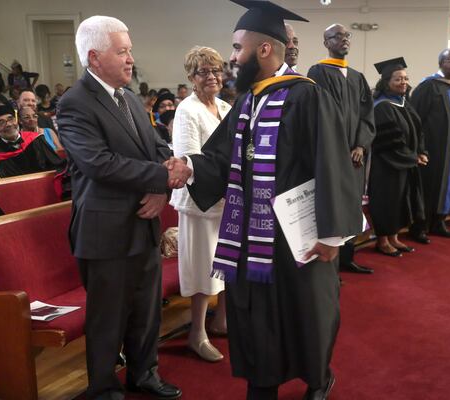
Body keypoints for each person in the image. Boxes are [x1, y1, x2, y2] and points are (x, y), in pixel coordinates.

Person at [174, 1, 360, 398]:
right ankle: (263, 381)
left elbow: (332, 162)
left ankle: (317, 378)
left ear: (263, 50)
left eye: (237, 47)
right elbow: (222, 156)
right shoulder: (247, 101)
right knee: (256, 312)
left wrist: (332, 234)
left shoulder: (308, 97)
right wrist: (191, 168)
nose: (232, 57)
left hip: (297, 235)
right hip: (251, 234)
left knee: (307, 310)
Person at [56, 15, 187, 400]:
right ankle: (103, 386)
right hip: (105, 228)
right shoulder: (74, 104)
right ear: (94, 58)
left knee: (147, 309)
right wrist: (162, 179)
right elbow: (99, 163)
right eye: (123, 51)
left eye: (130, 50)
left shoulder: (129, 97)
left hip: (143, 221)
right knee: (108, 316)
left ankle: (144, 372)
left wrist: (168, 176)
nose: (131, 59)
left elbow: (156, 148)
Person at [171, 46, 232, 363]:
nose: (212, 76)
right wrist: (220, 180)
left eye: (216, 70)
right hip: (199, 200)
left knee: (225, 262)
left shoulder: (224, 106)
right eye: (203, 72)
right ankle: (197, 333)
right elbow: (188, 158)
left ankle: (221, 321)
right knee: (202, 266)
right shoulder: (187, 110)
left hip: (225, 198)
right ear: (191, 78)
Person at [307, 23, 375, 274]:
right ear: (326, 42)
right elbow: (319, 116)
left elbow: (368, 116)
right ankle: (330, 264)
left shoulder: (358, 77)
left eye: (347, 36)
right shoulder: (317, 72)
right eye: (337, 36)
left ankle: (348, 258)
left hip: (355, 156)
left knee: (352, 204)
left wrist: (360, 145)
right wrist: (337, 149)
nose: (344, 40)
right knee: (334, 204)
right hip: (332, 156)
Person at [369, 57, 427, 256]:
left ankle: (394, 237)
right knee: (387, 201)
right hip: (387, 165)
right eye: (398, 79)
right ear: (387, 83)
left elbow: (418, 130)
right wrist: (412, 158)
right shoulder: (382, 106)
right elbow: (389, 141)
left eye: (405, 78)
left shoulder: (404, 103)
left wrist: (420, 151)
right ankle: (382, 241)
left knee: (400, 201)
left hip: (405, 163)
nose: (403, 82)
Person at [410, 49, 450, 241]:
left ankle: (439, 221)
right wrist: (420, 147)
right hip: (434, 149)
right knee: (430, 186)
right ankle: (419, 227)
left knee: (449, 184)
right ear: (441, 63)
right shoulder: (428, 86)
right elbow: (415, 119)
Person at [0, 105, 65, 177]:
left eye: (10, 119)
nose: (9, 124)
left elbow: (56, 166)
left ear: (16, 120)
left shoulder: (36, 139)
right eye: (1, 122)